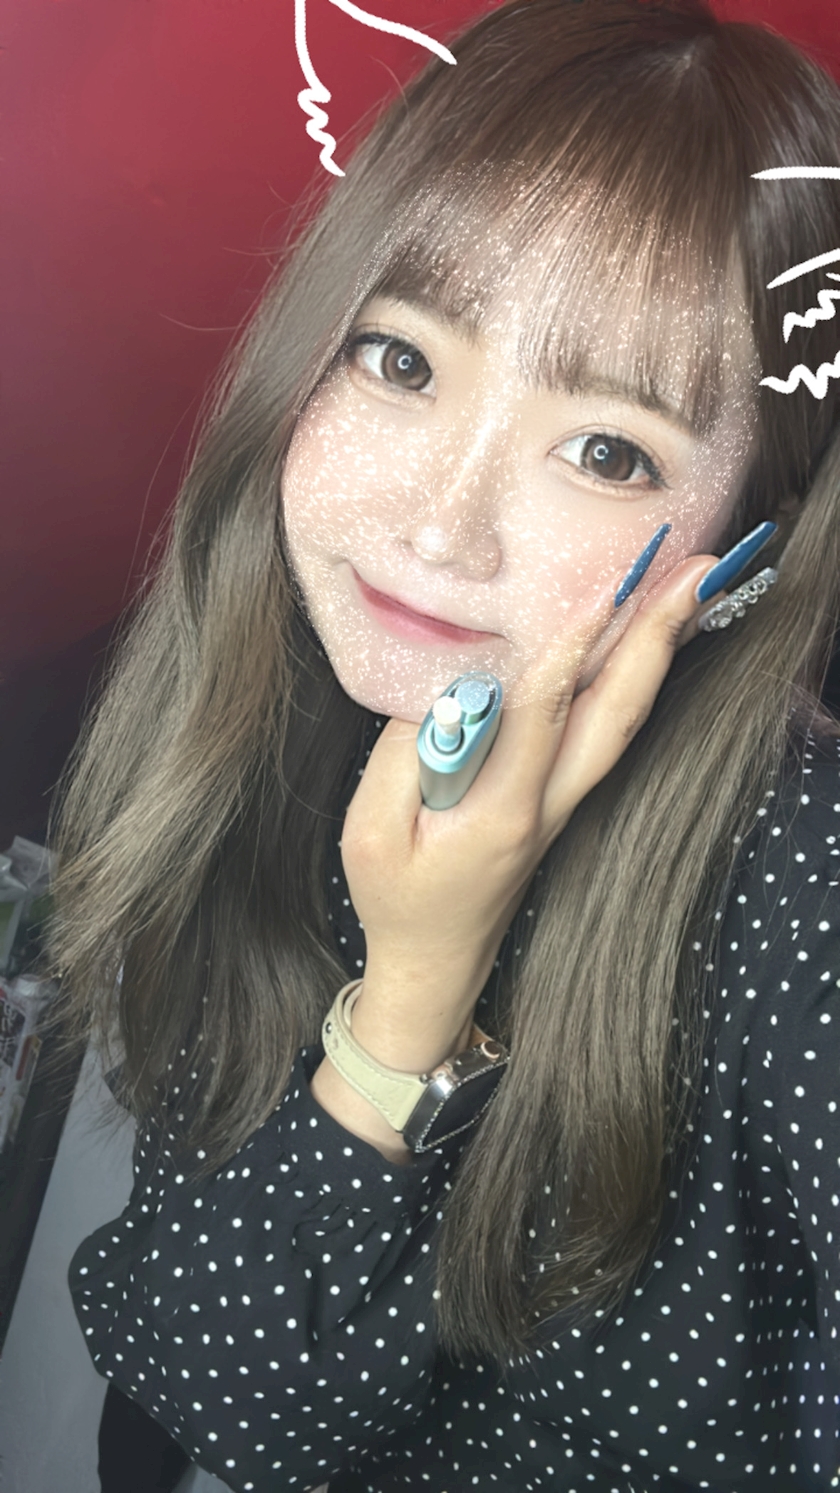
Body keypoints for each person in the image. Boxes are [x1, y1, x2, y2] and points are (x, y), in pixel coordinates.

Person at [45, 0, 840, 1488]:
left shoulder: (805, 882)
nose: (438, 527)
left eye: (607, 451)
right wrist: (409, 994)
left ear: (744, 550)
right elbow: (205, 1392)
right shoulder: (283, 709)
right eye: (401, 362)